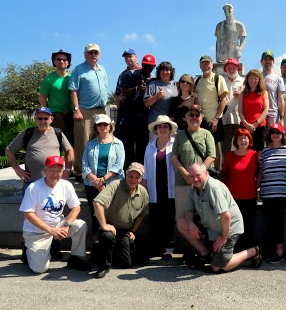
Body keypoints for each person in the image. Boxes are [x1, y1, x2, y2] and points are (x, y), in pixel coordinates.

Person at [176, 163, 261, 273]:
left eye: (198, 175)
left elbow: (226, 216)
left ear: (206, 173)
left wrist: (224, 238)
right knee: (181, 223)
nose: (195, 179)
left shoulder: (214, 188)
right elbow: (188, 209)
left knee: (218, 267)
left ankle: (254, 251)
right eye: (191, 176)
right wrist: (190, 223)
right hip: (211, 227)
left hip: (228, 228)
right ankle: (205, 253)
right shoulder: (194, 188)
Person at [19, 155, 90, 274]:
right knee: (39, 269)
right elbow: (27, 214)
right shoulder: (34, 188)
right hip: (36, 232)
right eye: (51, 170)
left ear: (63, 172)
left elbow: (76, 207)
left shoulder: (66, 185)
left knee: (80, 225)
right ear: (45, 170)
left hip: (57, 225)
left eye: (58, 171)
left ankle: (77, 258)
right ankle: (28, 249)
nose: (55, 174)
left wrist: (66, 226)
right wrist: (51, 230)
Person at [92, 162, 149, 278]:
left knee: (126, 263)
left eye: (137, 177)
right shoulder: (115, 185)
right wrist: (104, 225)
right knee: (107, 237)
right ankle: (103, 266)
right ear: (126, 175)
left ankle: (107, 254)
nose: (133, 179)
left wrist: (133, 231)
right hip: (110, 226)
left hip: (125, 230)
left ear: (141, 179)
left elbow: (142, 215)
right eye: (130, 176)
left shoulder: (143, 192)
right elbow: (97, 202)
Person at [6, 106, 73, 189]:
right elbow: (9, 151)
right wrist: (17, 170)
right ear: (35, 119)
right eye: (40, 118)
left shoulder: (57, 133)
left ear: (51, 119)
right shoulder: (28, 133)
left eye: (46, 118)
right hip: (32, 184)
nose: (43, 121)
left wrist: (67, 170)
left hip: (54, 183)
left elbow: (69, 150)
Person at [69, 43, 109, 177]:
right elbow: (73, 90)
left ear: (99, 55)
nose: (93, 55)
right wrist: (76, 110)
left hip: (102, 110)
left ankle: (96, 169)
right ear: (85, 54)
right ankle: (80, 172)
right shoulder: (78, 69)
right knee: (83, 141)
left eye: (95, 53)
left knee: (100, 140)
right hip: (85, 111)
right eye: (90, 53)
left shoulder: (102, 69)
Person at [82, 114, 125, 237]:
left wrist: (103, 180)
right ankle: (98, 244)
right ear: (96, 127)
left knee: (112, 214)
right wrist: (96, 181)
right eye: (99, 124)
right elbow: (85, 164)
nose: (102, 126)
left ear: (110, 126)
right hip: (92, 184)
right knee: (95, 215)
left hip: (112, 184)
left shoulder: (118, 144)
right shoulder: (90, 144)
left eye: (105, 124)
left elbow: (118, 166)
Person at [171, 105, 216, 221]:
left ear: (201, 118)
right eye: (191, 115)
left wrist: (198, 174)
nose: (194, 117)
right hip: (183, 181)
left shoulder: (207, 134)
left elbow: (211, 156)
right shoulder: (180, 135)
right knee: (182, 217)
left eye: (197, 115)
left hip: (203, 182)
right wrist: (186, 175)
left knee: (204, 217)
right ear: (186, 117)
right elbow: (174, 157)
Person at [256, 123, 286, 263]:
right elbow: (261, 171)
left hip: (282, 192)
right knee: (269, 222)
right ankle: (269, 249)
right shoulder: (265, 152)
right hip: (267, 192)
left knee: (277, 222)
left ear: (283, 135)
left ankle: (279, 250)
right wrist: (256, 187)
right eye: (273, 132)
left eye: (278, 132)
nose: (275, 135)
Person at [143, 115, 177, 259]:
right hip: (154, 188)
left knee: (169, 219)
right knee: (155, 219)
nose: (162, 129)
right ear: (156, 129)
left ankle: (169, 248)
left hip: (171, 188)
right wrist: (144, 191)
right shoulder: (149, 146)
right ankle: (156, 248)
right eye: (160, 126)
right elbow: (145, 170)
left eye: (165, 126)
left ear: (169, 129)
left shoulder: (175, 144)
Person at [221, 128, 259, 252]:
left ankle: (249, 252)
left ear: (249, 140)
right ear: (236, 141)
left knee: (249, 227)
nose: (243, 140)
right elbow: (224, 175)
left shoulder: (254, 155)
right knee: (234, 226)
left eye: (246, 138)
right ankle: (234, 251)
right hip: (233, 199)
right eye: (240, 138)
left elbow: (259, 173)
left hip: (250, 197)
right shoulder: (230, 156)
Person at [120, 54, 156, 169]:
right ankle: (127, 172)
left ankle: (140, 173)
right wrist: (137, 89)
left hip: (144, 117)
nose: (147, 68)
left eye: (150, 66)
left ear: (154, 66)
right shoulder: (130, 74)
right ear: (142, 64)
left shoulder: (153, 79)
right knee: (128, 147)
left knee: (142, 147)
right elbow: (123, 91)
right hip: (130, 116)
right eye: (145, 65)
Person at [194, 55, 228, 168]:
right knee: (201, 147)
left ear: (212, 65)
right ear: (200, 66)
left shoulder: (218, 78)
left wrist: (216, 118)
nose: (206, 66)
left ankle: (217, 172)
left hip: (214, 119)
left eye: (208, 63)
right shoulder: (197, 80)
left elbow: (224, 99)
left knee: (215, 147)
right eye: (203, 63)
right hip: (200, 120)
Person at [39, 49, 74, 145]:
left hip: (71, 114)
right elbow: (42, 98)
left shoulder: (72, 78)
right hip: (56, 115)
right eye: (58, 59)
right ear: (54, 62)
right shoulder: (49, 79)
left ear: (68, 62)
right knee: (57, 143)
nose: (61, 61)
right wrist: (46, 115)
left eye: (64, 59)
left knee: (72, 143)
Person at [114, 48, 141, 141]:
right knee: (126, 141)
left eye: (130, 56)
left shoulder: (143, 71)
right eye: (126, 57)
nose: (128, 59)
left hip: (140, 112)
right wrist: (120, 109)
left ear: (136, 57)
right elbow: (117, 93)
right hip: (126, 112)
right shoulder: (122, 75)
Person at [238, 69, 269, 151]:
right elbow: (240, 111)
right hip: (245, 126)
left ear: (259, 80)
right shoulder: (242, 94)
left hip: (259, 126)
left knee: (259, 151)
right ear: (247, 80)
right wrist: (246, 124)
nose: (253, 80)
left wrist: (256, 124)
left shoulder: (263, 93)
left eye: (255, 78)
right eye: (251, 78)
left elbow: (266, 110)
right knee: (245, 150)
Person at [220, 58, 245, 160]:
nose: (231, 70)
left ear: (238, 68)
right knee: (225, 148)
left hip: (238, 119)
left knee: (239, 146)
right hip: (224, 119)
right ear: (225, 70)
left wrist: (242, 95)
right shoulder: (222, 82)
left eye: (234, 67)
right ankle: (226, 171)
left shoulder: (244, 81)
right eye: (229, 68)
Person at [144, 61, 178, 132]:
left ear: (171, 72)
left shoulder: (174, 87)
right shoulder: (153, 85)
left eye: (167, 70)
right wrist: (157, 96)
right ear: (159, 72)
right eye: (163, 70)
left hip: (170, 125)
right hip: (156, 124)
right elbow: (146, 103)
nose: (165, 72)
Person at [260, 51, 285, 129]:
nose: (268, 61)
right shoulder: (256, 77)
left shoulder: (278, 78)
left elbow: (281, 99)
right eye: (265, 59)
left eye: (270, 59)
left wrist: (281, 117)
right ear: (261, 62)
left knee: (272, 139)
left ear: (273, 62)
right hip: (259, 114)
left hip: (273, 114)